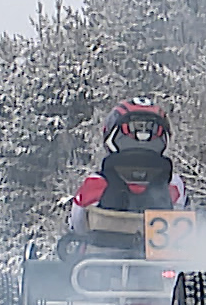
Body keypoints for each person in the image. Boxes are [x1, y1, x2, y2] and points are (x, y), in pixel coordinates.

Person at [66, 99, 188, 233]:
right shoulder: (175, 186)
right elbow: (186, 229)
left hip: (102, 252)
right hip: (161, 252)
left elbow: (77, 227)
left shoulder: (94, 184)